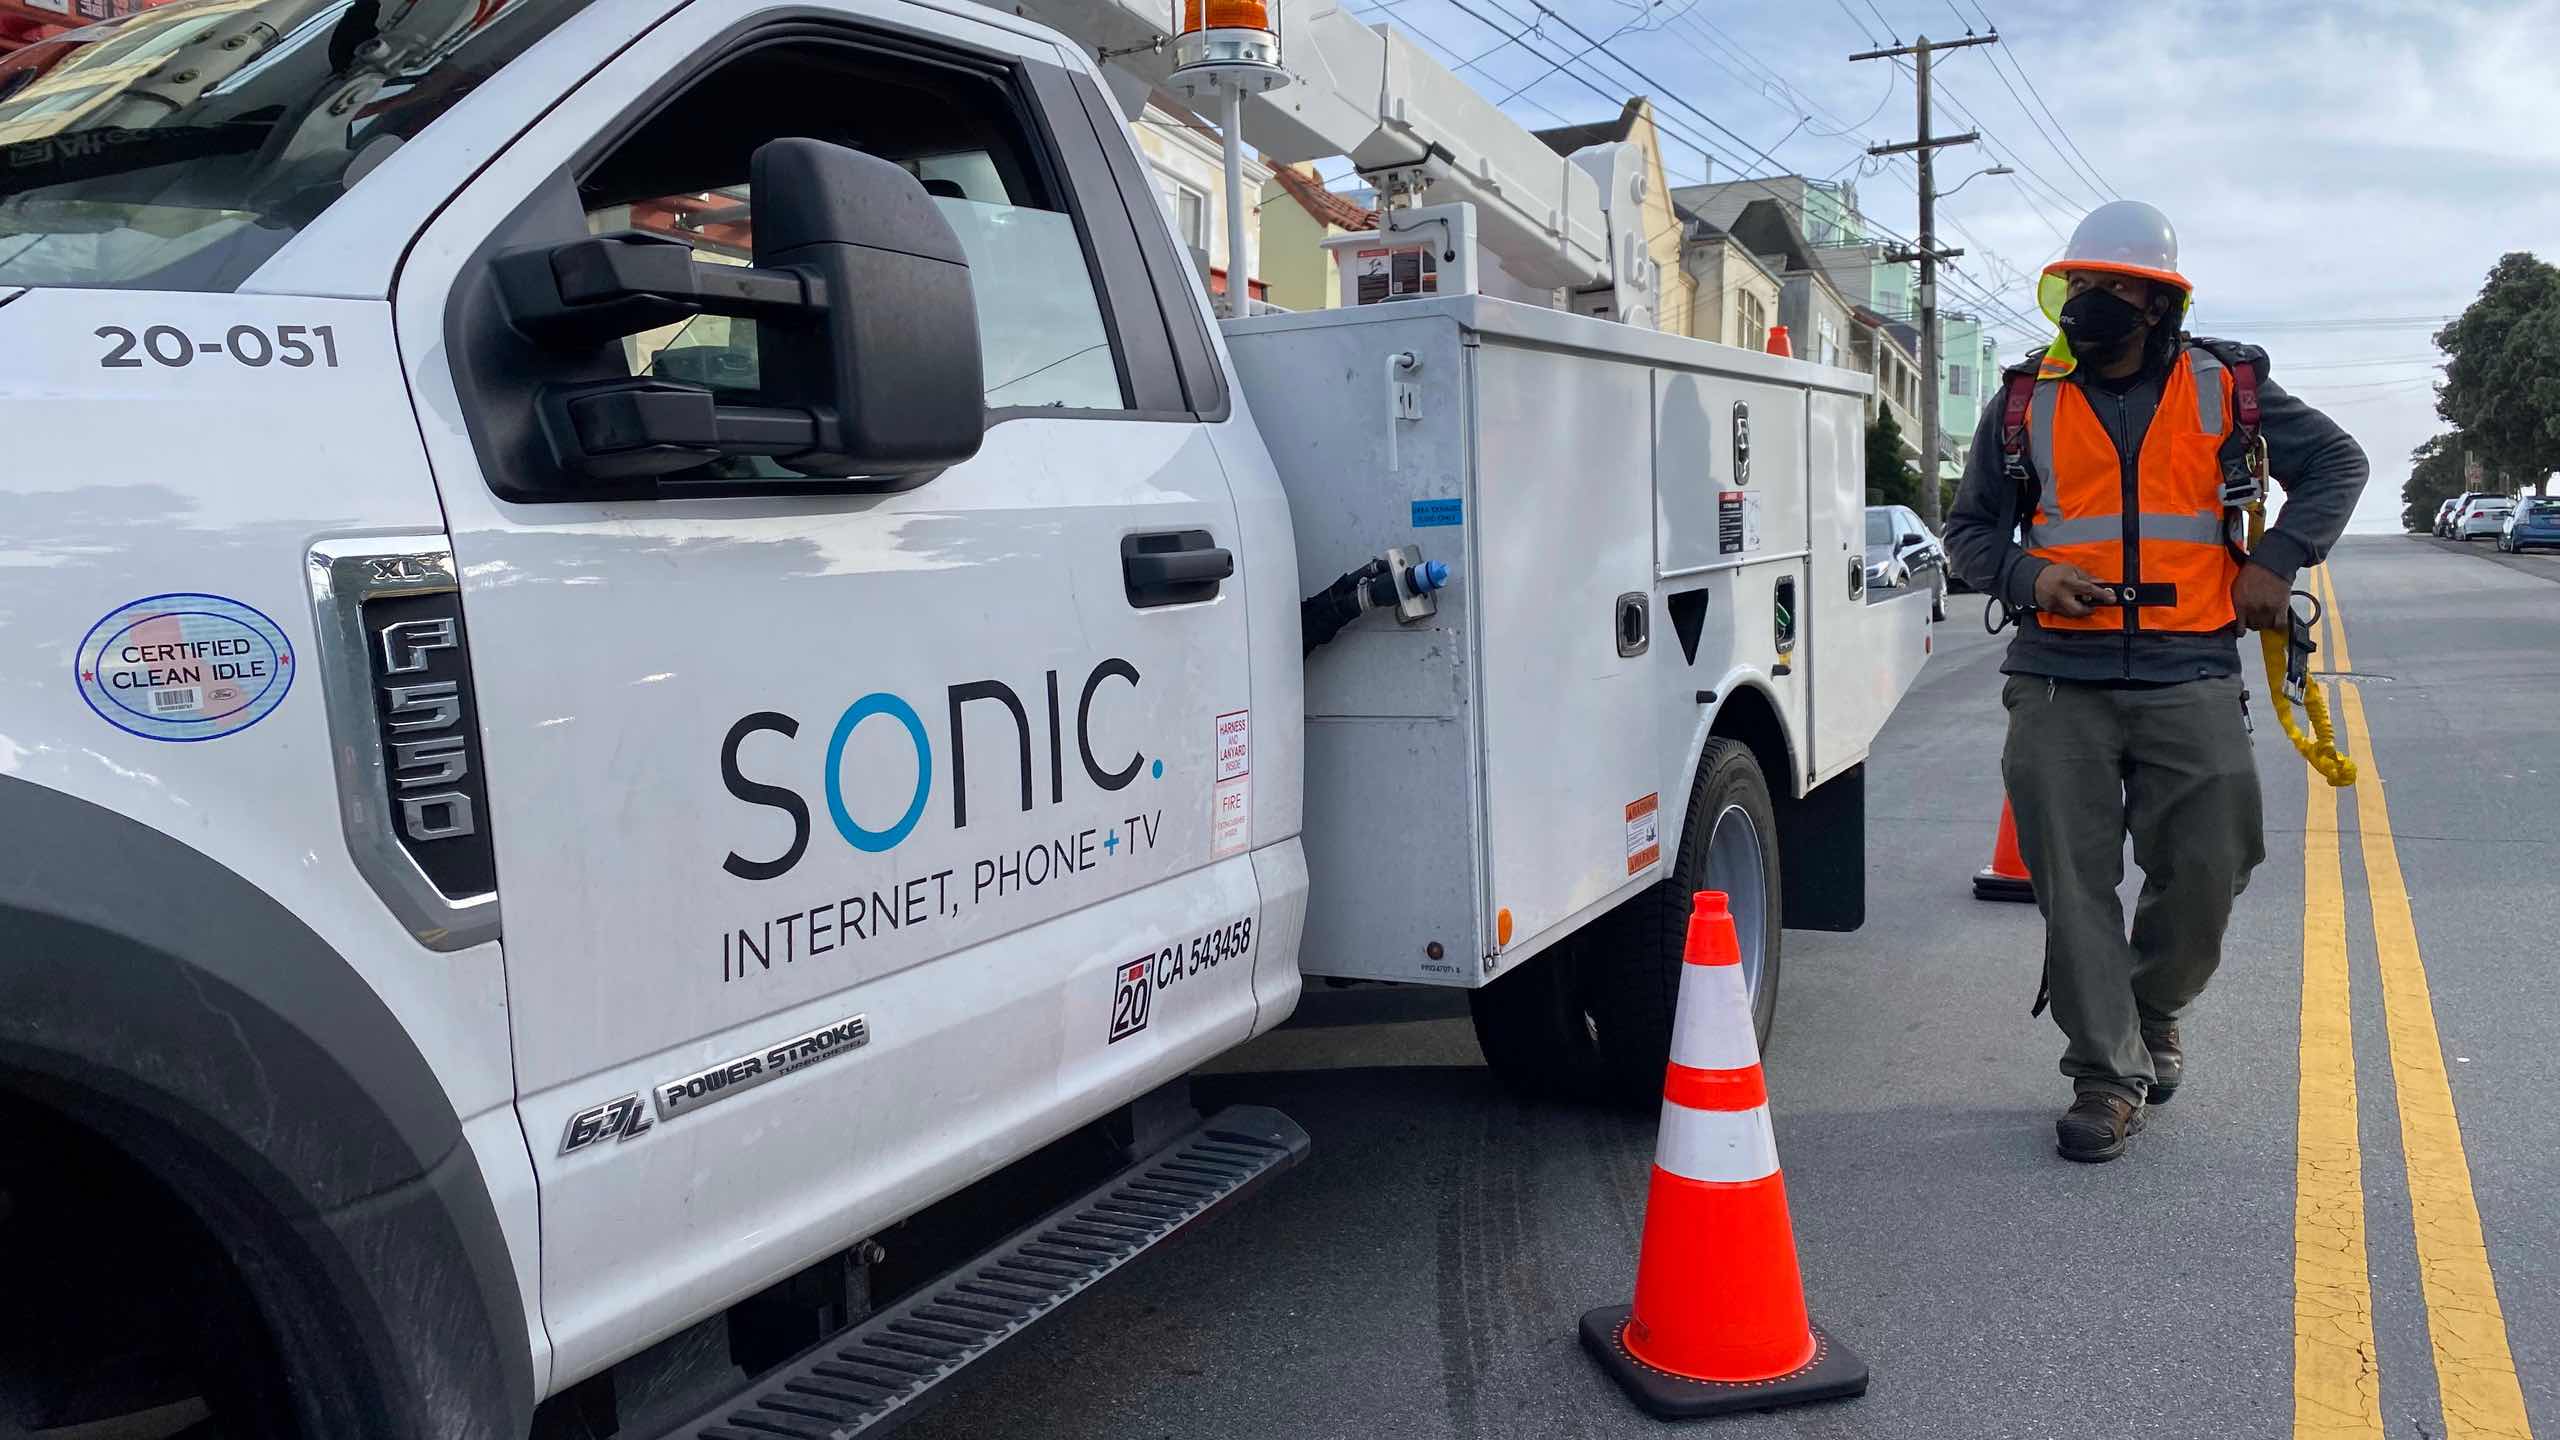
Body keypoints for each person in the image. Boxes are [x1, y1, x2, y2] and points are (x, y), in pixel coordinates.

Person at [1942, 200, 2368, 1163]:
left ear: (2159, 302)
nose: (2089, 305)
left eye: (2112, 289)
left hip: (2192, 668)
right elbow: (1969, 530)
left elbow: (2341, 461)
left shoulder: (2230, 387)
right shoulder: (2021, 402)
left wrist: (2281, 557)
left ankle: (2154, 1008)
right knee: (2074, 886)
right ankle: (2106, 1075)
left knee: (2214, 865)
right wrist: (2028, 576)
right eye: (2077, 288)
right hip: (2058, 679)